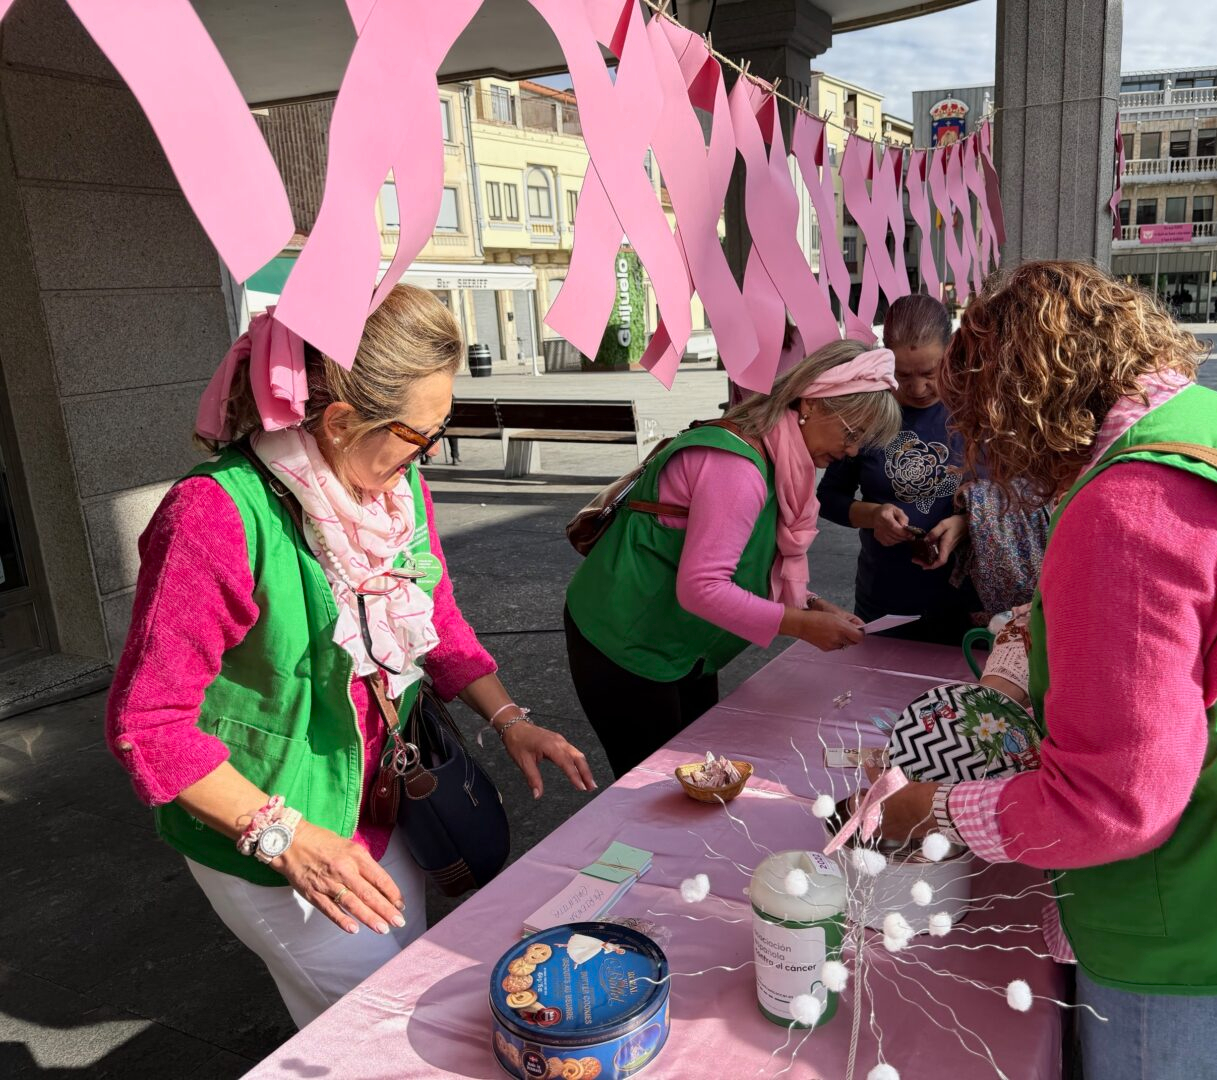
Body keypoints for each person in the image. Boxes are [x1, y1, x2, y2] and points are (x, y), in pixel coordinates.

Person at [873, 261, 1217, 1079]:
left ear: (1018, 399)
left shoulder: (1127, 507)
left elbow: (1114, 804)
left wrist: (933, 811)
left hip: (1213, 908)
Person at [106, 286, 595, 1029]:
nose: (429, 452)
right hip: (270, 831)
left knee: (365, 1018)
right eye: (421, 434)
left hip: (383, 799)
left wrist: (508, 718)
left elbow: (435, 615)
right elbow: (152, 724)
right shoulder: (212, 516)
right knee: (400, 1024)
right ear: (339, 420)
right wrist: (287, 839)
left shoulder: (395, 490)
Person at [565, 339, 902, 777]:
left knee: (695, 770)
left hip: (680, 645)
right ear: (813, 404)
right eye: (853, 433)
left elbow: (746, 556)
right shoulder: (738, 468)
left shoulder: (778, 455)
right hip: (624, 642)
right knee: (655, 783)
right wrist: (799, 624)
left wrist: (811, 604)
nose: (853, 451)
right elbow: (703, 587)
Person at [818, 295, 979, 642]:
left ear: (950, 353)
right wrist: (874, 515)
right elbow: (828, 497)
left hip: (967, 598)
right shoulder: (869, 411)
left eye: (929, 373)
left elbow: (1012, 495)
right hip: (887, 597)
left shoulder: (975, 411)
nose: (918, 388)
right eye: (903, 376)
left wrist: (965, 523)